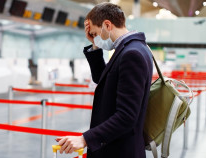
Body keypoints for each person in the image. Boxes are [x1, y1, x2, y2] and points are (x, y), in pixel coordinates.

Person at [56, 2, 153, 158]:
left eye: (95, 33)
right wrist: (95, 45)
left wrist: (85, 139)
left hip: (119, 150)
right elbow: (104, 79)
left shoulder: (131, 54)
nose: (95, 38)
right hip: (117, 146)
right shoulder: (132, 48)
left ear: (107, 25)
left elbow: (127, 116)